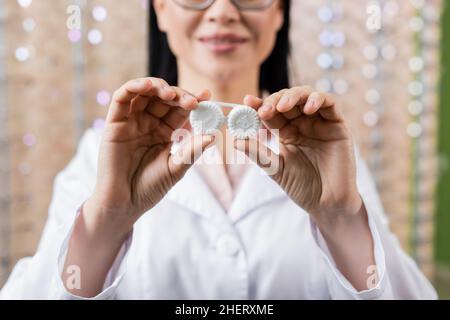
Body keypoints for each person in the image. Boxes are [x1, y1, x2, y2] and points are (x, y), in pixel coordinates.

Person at [0, 0, 437, 299]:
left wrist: (341, 221)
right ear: (161, 10)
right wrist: (106, 224)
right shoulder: (98, 154)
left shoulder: (329, 153)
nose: (224, 11)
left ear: (279, 13)